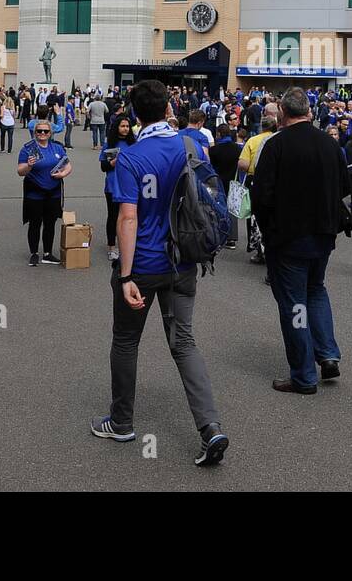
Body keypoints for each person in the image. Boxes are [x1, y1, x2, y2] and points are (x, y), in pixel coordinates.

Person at [91, 80, 229, 466]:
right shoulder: (190, 146)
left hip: (145, 263)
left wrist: (126, 275)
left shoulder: (131, 158)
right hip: (183, 260)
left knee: (126, 341)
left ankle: (122, 422)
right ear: (169, 107)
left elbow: (128, 218)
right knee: (184, 343)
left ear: (135, 114)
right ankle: (210, 427)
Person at [250, 87, 350, 394]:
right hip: (323, 233)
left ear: (282, 113)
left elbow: (261, 196)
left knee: (294, 304)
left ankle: (304, 375)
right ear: (307, 110)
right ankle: (327, 352)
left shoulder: (276, 145)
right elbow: (344, 187)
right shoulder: (330, 145)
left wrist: (267, 232)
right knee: (316, 291)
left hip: (289, 236)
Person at [17, 118, 71, 266]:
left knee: (50, 223)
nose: (42, 133)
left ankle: (47, 253)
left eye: (45, 131)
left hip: (53, 192)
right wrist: (28, 166)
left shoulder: (57, 148)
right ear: (34, 132)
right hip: (35, 192)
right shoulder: (28, 149)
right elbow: (20, 171)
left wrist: (62, 174)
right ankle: (34, 253)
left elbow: (68, 165)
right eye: (39, 131)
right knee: (35, 223)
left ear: (50, 133)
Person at [238, 115, 277, 266]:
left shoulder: (253, 141)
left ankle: (258, 250)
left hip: (255, 180)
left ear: (262, 126)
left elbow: (242, 164)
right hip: (274, 181)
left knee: (254, 216)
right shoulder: (278, 139)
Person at [100, 116, 137, 264]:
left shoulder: (134, 144)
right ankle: (111, 246)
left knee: (130, 217)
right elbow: (103, 167)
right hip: (113, 185)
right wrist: (113, 163)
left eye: (127, 126)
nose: (125, 129)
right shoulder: (109, 144)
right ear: (117, 127)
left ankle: (129, 244)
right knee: (114, 216)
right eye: (122, 126)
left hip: (130, 185)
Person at [208, 123, 241, 250]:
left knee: (217, 209)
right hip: (233, 181)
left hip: (218, 181)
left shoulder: (214, 150)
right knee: (232, 210)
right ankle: (231, 238)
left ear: (219, 134)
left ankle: (218, 236)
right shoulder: (237, 148)